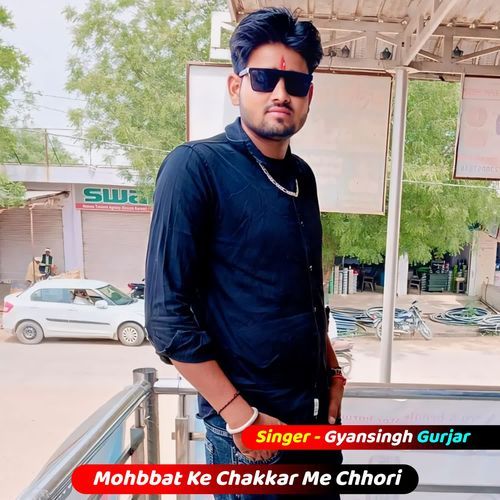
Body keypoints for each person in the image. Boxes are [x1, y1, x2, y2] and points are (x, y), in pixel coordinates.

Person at [146, 8, 344, 498]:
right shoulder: (195, 167)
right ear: (236, 86)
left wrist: (333, 371)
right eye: (263, 78)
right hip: (253, 438)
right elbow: (167, 319)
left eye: (295, 82)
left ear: (309, 95)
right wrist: (242, 417)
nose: (280, 93)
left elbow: (303, 293)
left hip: (314, 425)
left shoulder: (302, 177)